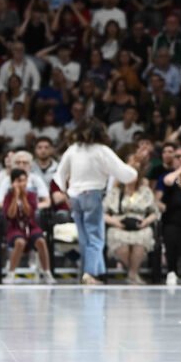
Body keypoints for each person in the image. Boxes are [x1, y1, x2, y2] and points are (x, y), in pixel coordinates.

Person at [53, 119, 138, 285]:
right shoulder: (102, 150)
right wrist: (133, 172)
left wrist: (65, 191)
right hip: (92, 194)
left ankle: (94, 273)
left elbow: (60, 174)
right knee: (95, 237)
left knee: (84, 237)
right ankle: (90, 273)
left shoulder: (73, 149)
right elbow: (123, 172)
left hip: (75, 196)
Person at [103, 159, 158, 285]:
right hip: (119, 224)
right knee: (119, 240)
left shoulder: (145, 191)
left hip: (140, 225)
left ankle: (132, 274)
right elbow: (103, 213)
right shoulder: (115, 192)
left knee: (143, 237)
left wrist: (146, 222)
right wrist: (115, 222)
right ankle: (133, 273)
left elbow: (154, 213)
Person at [1, 168, 56, 284]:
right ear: (13, 182)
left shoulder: (31, 195)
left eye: (24, 180)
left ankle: (47, 272)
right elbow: (10, 215)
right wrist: (16, 197)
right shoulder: (8, 196)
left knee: (41, 241)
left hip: (30, 226)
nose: (22, 184)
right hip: (15, 227)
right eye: (19, 181)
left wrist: (23, 197)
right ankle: (11, 273)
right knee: (20, 242)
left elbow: (29, 212)